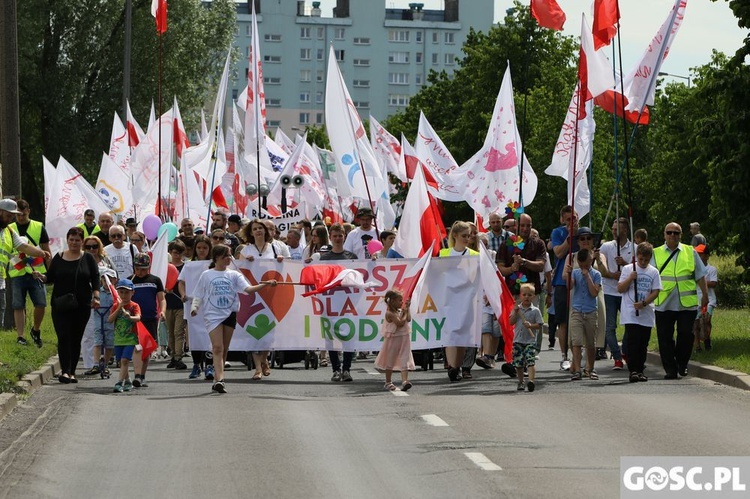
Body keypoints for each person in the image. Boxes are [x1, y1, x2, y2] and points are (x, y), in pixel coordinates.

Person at [191, 244, 277, 393]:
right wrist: (195, 307)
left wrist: (264, 285)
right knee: (217, 347)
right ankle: (220, 379)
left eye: (230, 255)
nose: (229, 258)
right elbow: (198, 293)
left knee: (224, 349)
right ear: (217, 257)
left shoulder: (234, 274)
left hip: (229, 313)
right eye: (226, 255)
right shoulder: (207, 275)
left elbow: (248, 290)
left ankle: (217, 378)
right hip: (212, 315)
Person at [36, 227, 99, 383]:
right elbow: (50, 277)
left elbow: (95, 278)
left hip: (82, 305)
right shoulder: (59, 256)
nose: (74, 243)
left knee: (75, 338)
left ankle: (71, 372)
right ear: (67, 240)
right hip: (61, 304)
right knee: (63, 336)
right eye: (71, 239)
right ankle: (64, 371)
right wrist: (41, 276)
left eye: (77, 240)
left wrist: (96, 296)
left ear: (82, 241)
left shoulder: (88, 259)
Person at [652, 222, 709, 379]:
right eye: (669, 232)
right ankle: (670, 369)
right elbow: (649, 275)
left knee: (686, 336)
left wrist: (705, 294)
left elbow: (700, 275)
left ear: (681, 235)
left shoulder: (690, 252)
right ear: (664, 234)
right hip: (664, 303)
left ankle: (682, 364)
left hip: (687, 303)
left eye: (676, 233)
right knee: (665, 338)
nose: (672, 235)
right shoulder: (655, 253)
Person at [497, 213, 547, 370]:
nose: (525, 229)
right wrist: (512, 268)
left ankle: (526, 360)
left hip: (532, 293)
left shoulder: (538, 244)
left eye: (528, 225)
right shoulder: (506, 244)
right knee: (515, 327)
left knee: (529, 326)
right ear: (516, 227)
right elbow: (500, 269)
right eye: (522, 225)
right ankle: (515, 360)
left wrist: (525, 262)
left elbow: (540, 265)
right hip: (513, 293)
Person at [0, 199, 52, 346]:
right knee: (18, 305)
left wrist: (42, 253)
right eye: (10, 215)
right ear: (1, 212)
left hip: (1, 282)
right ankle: (20, 336)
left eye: (13, 216)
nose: (12, 219)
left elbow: (24, 247)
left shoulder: (9, 231)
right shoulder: (11, 227)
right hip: (16, 274)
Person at [239, 220, 280, 379]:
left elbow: (289, 265)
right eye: (254, 229)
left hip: (271, 293)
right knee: (254, 330)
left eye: (260, 228)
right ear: (250, 232)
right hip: (252, 294)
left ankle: (264, 358)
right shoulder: (246, 249)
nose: (258, 231)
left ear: (265, 231)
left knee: (269, 330)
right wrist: (244, 261)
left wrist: (281, 260)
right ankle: (257, 368)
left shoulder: (276, 248)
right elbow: (238, 270)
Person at [439, 221, 479, 382]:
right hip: (448, 299)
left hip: (467, 299)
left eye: (469, 236)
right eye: (464, 236)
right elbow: (436, 275)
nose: (467, 239)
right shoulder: (443, 254)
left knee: (462, 333)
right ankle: (452, 367)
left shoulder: (474, 255)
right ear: (454, 236)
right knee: (450, 332)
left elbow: (479, 277)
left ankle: (457, 366)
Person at [617, 243, 662, 382]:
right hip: (630, 313)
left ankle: (640, 368)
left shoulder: (653, 272)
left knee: (643, 343)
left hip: (645, 312)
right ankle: (633, 370)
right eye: (641, 259)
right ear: (637, 257)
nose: (643, 263)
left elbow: (656, 291)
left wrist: (644, 303)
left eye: (646, 260)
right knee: (633, 342)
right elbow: (620, 288)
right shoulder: (628, 269)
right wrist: (630, 278)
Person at [320, 223, 359, 381]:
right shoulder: (325, 258)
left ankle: (347, 369)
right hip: (330, 303)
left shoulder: (351, 257)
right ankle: (336, 369)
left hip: (348, 303)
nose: (337, 239)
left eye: (340, 236)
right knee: (330, 336)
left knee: (349, 336)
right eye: (334, 236)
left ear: (344, 237)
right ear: (330, 237)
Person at [598, 217, 632, 369]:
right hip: (610, 292)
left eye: (616, 229)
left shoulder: (634, 248)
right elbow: (601, 268)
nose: (613, 231)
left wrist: (625, 264)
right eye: (612, 229)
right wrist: (612, 274)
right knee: (609, 327)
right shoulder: (606, 247)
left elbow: (639, 267)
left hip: (626, 292)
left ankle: (625, 350)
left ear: (625, 230)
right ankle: (617, 357)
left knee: (629, 326)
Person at [129, 253, 166, 388]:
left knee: (147, 349)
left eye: (144, 269)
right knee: (137, 348)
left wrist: (162, 311)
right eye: (138, 269)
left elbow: (161, 299)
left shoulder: (155, 280)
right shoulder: (130, 281)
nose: (140, 272)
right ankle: (137, 376)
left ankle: (142, 375)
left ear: (149, 267)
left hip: (150, 319)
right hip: (134, 319)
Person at [564, 249, 602, 381]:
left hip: (591, 311)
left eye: (585, 265)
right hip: (577, 311)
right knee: (577, 342)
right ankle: (577, 370)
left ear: (591, 261)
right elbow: (570, 286)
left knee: (591, 343)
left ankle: (590, 368)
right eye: (580, 265)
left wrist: (587, 276)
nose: (583, 268)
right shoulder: (575, 272)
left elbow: (594, 293)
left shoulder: (596, 274)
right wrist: (569, 276)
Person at [180, 235, 214, 380]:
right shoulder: (189, 265)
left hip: (211, 304)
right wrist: (183, 294)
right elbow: (181, 282)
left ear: (209, 249)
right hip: (193, 304)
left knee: (210, 335)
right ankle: (196, 364)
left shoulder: (214, 264)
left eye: (205, 248)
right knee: (195, 335)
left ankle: (210, 365)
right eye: (199, 248)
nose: (201, 250)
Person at [550, 205, 579, 370]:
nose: (571, 222)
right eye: (568, 219)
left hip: (580, 282)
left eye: (573, 218)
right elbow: (559, 253)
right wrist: (569, 236)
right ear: (562, 220)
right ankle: (564, 356)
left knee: (580, 320)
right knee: (563, 321)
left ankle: (578, 355)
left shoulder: (583, 233)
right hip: (562, 283)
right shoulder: (557, 233)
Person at [374, 289, 415, 391]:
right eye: (399, 300)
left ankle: (405, 381)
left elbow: (408, 319)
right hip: (393, 339)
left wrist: (407, 309)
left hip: (404, 337)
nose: (401, 302)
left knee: (404, 358)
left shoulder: (400, 311)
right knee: (390, 359)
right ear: (392, 301)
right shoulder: (390, 313)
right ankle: (388, 381)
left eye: (402, 300)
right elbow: (400, 323)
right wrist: (405, 313)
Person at [109, 278, 141, 392]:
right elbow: (110, 319)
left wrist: (130, 317)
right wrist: (118, 309)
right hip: (118, 338)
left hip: (130, 338)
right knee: (121, 362)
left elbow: (138, 317)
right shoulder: (116, 306)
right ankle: (128, 381)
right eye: (121, 292)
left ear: (132, 292)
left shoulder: (134, 306)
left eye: (127, 292)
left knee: (125, 361)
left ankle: (119, 383)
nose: (124, 295)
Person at [509, 283, 543, 392]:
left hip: (530, 341)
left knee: (530, 361)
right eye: (524, 295)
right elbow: (511, 322)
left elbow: (539, 325)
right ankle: (521, 381)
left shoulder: (535, 310)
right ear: (520, 296)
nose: (527, 297)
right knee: (518, 363)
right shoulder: (517, 310)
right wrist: (515, 312)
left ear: (533, 296)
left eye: (529, 295)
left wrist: (531, 325)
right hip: (518, 340)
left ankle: (531, 381)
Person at [165, 240, 188, 370]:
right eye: (175, 253)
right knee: (171, 332)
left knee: (178, 331)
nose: (177, 255)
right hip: (168, 304)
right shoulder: (166, 267)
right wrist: (164, 289)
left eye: (179, 253)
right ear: (170, 253)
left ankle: (178, 356)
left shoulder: (186, 267)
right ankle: (173, 356)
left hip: (181, 304)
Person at [693, 244, 717, 352]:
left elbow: (714, 283)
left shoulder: (711, 269)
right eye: (697, 254)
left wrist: (701, 281)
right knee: (696, 323)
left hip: (709, 300)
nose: (698, 256)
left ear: (707, 256)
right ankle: (697, 346)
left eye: (700, 254)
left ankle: (707, 340)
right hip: (695, 299)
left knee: (706, 320)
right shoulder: (692, 269)